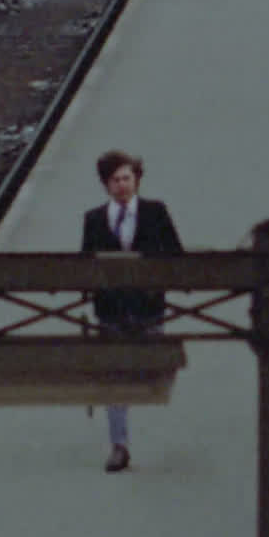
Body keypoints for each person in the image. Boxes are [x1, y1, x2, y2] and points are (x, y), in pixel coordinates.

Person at [80, 148, 184, 474]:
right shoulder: (94, 219)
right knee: (116, 377)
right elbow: (85, 263)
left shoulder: (156, 212)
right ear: (106, 184)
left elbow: (176, 255)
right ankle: (119, 446)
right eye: (115, 180)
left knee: (150, 370)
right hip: (112, 310)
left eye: (127, 178)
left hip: (149, 307)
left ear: (136, 179)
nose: (122, 185)